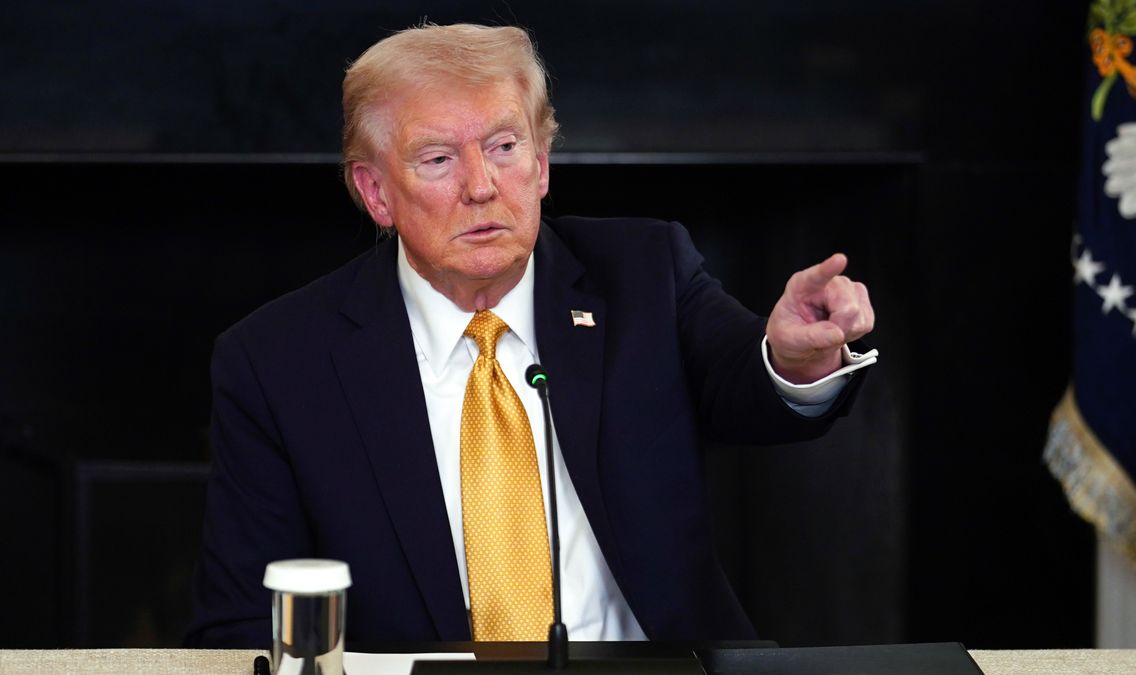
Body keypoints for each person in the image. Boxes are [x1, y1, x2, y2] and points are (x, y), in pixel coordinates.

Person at [185, 22, 876, 647]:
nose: (482, 185)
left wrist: (790, 359)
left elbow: (742, 374)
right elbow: (244, 623)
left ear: (541, 165)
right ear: (376, 193)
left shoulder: (643, 276)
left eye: (505, 146)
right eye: (437, 159)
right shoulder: (277, 362)